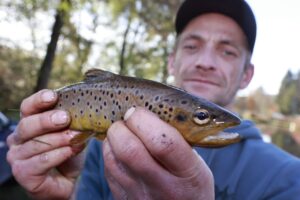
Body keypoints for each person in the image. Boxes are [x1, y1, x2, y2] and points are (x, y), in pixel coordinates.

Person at [6, 0, 300, 199]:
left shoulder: (288, 179)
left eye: (227, 51)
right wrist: (62, 194)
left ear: (247, 75)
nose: (205, 62)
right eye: (192, 45)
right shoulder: (99, 148)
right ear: (173, 61)